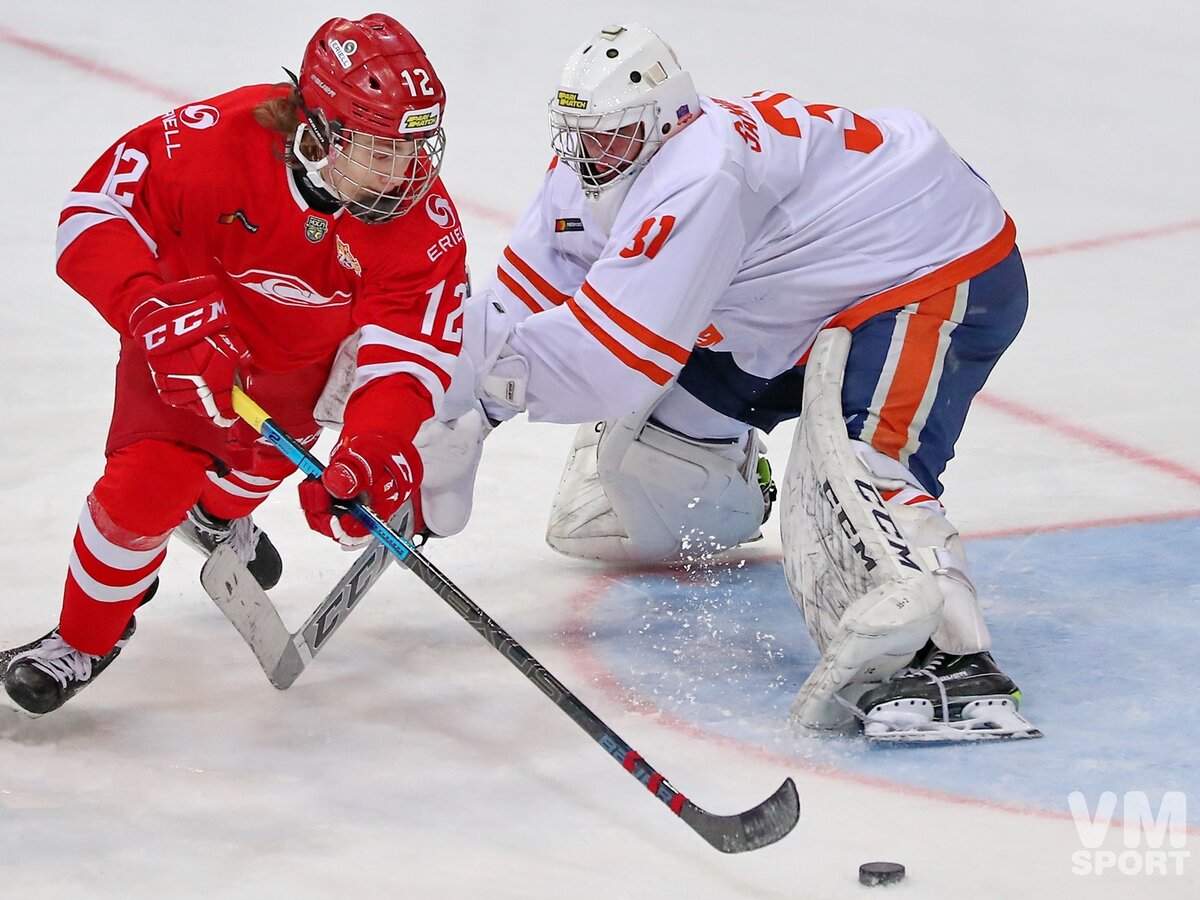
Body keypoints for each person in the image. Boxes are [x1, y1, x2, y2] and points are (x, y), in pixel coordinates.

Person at [451, 24, 1034, 740]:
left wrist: (479, 396)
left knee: (861, 473)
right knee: (640, 482)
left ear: (666, 121)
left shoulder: (702, 172)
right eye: (580, 136)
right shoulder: (596, 167)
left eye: (612, 137)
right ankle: (742, 478)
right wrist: (445, 413)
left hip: (929, 267)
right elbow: (516, 308)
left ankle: (949, 658)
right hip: (793, 289)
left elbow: (609, 363)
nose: (592, 155)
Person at [0, 14, 468, 715]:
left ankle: (219, 515)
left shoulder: (419, 222)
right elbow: (92, 212)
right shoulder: (211, 144)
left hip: (305, 361)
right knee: (148, 486)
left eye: (413, 147)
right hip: (190, 343)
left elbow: (412, 350)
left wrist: (374, 443)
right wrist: (147, 309)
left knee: (259, 466)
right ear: (319, 132)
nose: (404, 172)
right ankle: (82, 639)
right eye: (379, 148)